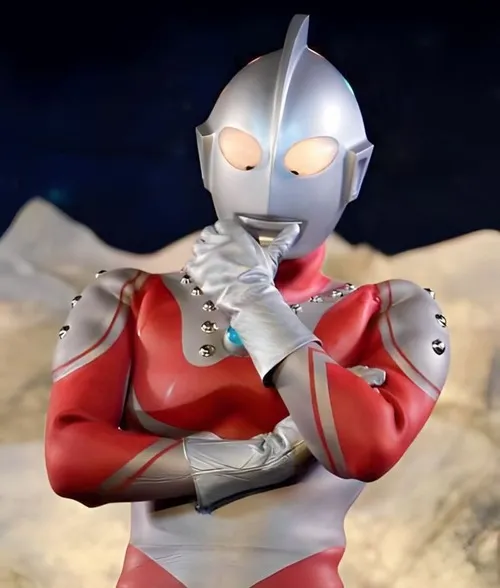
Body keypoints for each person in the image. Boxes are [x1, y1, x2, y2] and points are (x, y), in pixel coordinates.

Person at [45, 14, 450, 588]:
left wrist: (253, 300)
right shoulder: (126, 299)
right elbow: (70, 460)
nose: (268, 188)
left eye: (304, 163)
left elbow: (364, 450)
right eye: (243, 156)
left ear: (353, 171)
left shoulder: (391, 313)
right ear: (207, 156)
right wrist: (263, 460)